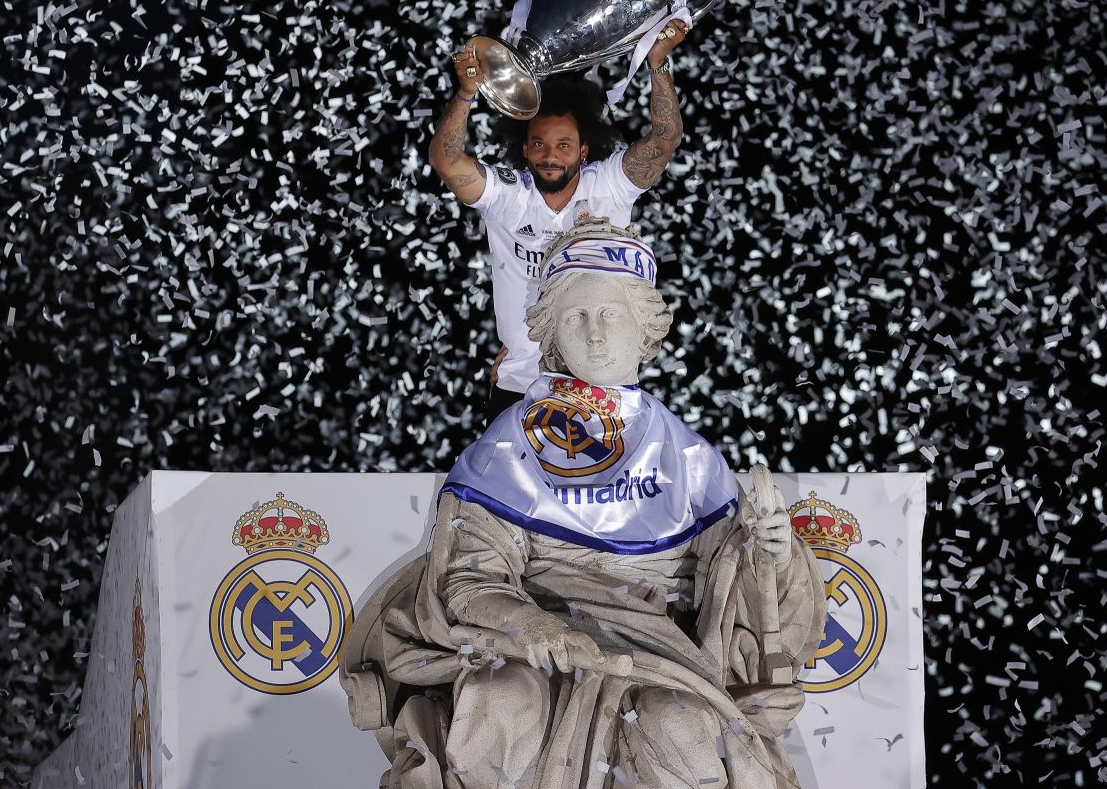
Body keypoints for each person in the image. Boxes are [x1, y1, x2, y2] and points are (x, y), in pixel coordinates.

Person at [340, 219, 827, 789]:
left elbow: (735, 593)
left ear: (645, 330)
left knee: (679, 724)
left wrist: (771, 552)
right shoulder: (508, 445)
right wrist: (532, 625)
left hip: (656, 652)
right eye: (576, 317)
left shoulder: (688, 457)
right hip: (530, 645)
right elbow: (470, 579)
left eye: (610, 315)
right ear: (552, 334)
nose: (595, 334)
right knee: (500, 700)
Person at [427, 21, 692, 419]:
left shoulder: (609, 186)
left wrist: (658, 64)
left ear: (584, 150)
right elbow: (446, 161)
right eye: (539, 144)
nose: (551, 155)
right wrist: (466, 93)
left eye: (564, 145)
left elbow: (664, 139)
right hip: (521, 385)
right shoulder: (508, 196)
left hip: (602, 385)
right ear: (525, 150)